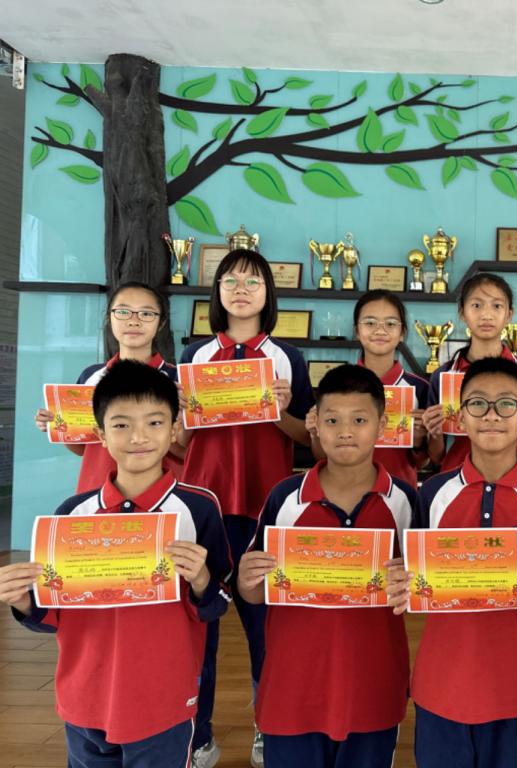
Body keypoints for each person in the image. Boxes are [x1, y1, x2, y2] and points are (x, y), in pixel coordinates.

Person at [1, 360, 231, 767]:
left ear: (174, 430)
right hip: (83, 697)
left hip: (162, 699)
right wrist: (22, 601)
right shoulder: (71, 514)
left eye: (155, 422)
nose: (138, 437)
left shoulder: (198, 509)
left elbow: (216, 605)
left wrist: (201, 579)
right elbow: (52, 616)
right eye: (122, 425)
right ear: (101, 434)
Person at [388, 357, 517, 768]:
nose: (492, 415)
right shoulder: (430, 494)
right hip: (441, 683)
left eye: (507, 404)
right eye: (478, 403)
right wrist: (400, 582)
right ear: (461, 417)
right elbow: (414, 578)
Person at [236, 364, 417, 767]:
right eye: (332, 420)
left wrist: (413, 582)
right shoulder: (285, 497)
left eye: (359, 420)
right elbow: (253, 590)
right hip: (292, 688)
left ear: (383, 425)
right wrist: (248, 581)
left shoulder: (405, 501)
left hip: (373, 686)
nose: (345, 431)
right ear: (315, 423)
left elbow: (422, 591)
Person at [179, 249, 315, 768]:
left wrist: (278, 408)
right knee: (200, 631)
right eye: (230, 280)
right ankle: (199, 737)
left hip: (264, 508)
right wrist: (185, 412)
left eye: (253, 281)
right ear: (216, 292)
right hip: (204, 509)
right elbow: (178, 441)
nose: (240, 289)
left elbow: (307, 436)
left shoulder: (286, 357)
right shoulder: (193, 355)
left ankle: (268, 728)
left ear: (268, 294)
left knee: (266, 632)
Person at [34, 281, 180, 492]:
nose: (134, 321)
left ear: (161, 322)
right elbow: (83, 448)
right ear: (109, 317)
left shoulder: (178, 381)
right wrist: (58, 424)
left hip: (160, 494)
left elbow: (188, 452)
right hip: (98, 491)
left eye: (146, 314)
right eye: (123, 312)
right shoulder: (90, 377)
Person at [422, 273, 517, 472]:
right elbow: (437, 457)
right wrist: (435, 434)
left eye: (496, 306)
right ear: (462, 313)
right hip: (457, 478)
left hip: (514, 478)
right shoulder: (443, 376)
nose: (486, 315)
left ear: (509, 315)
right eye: (476, 305)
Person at [306, 290, 429, 488]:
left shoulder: (420, 388)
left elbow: (422, 462)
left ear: (402, 333)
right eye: (370, 323)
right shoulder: (335, 384)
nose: (380, 330)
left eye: (390, 324)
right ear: (356, 330)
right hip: (342, 492)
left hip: (398, 496)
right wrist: (314, 433)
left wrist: (419, 440)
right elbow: (321, 456)